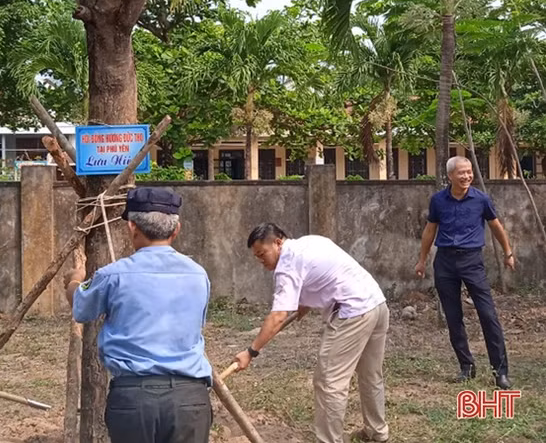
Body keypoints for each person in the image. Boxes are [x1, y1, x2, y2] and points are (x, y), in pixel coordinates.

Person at [63, 187, 213, 443]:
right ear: (176, 230)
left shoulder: (112, 275)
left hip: (134, 399)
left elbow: (81, 307)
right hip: (190, 399)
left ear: (131, 227)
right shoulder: (198, 274)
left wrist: (74, 281)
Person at [237, 224, 389, 443]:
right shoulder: (311, 242)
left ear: (278, 242)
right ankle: (377, 432)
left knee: (329, 383)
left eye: (263, 254)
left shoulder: (286, 265)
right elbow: (326, 275)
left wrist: (251, 351)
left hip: (352, 313)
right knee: (370, 375)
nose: (262, 261)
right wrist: (304, 303)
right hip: (376, 304)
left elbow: (278, 316)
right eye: (257, 257)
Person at [416, 156, 515, 389]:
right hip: (445, 262)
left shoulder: (481, 199)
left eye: (469, 172)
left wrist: (508, 252)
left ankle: (500, 372)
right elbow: (430, 231)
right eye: (462, 173)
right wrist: (421, 261)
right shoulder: (438, 201)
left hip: (472, 261)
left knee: (488, 314)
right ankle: (466, 367)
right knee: (453, 317)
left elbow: (496, 226)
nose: (467, 176)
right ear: (450, 175)